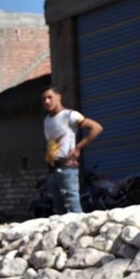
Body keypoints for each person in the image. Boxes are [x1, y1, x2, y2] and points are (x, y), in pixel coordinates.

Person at [42, 86, 102, 215]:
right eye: (44, 99)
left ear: (59, 97)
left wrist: (78, 147)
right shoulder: (47, 120)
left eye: (50, 97)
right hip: (52, 169)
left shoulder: (69, 115)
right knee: (59, 210)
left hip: (67, 168)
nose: (47, 101)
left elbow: (96, 128)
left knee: (73, 208)